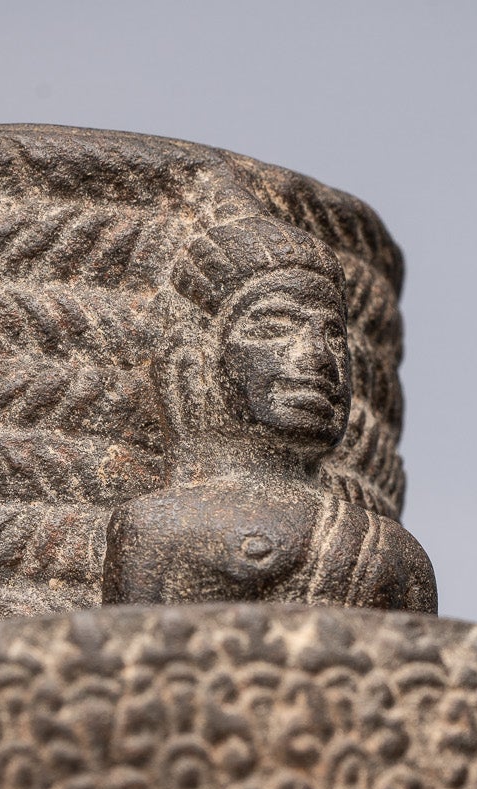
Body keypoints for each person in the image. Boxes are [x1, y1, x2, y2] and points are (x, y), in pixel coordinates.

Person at [101, 214, 436, 613]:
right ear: (196, 362)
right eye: (275, 327)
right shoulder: (160, 527)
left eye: (333, 335)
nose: (318, 356)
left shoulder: (391, 554)